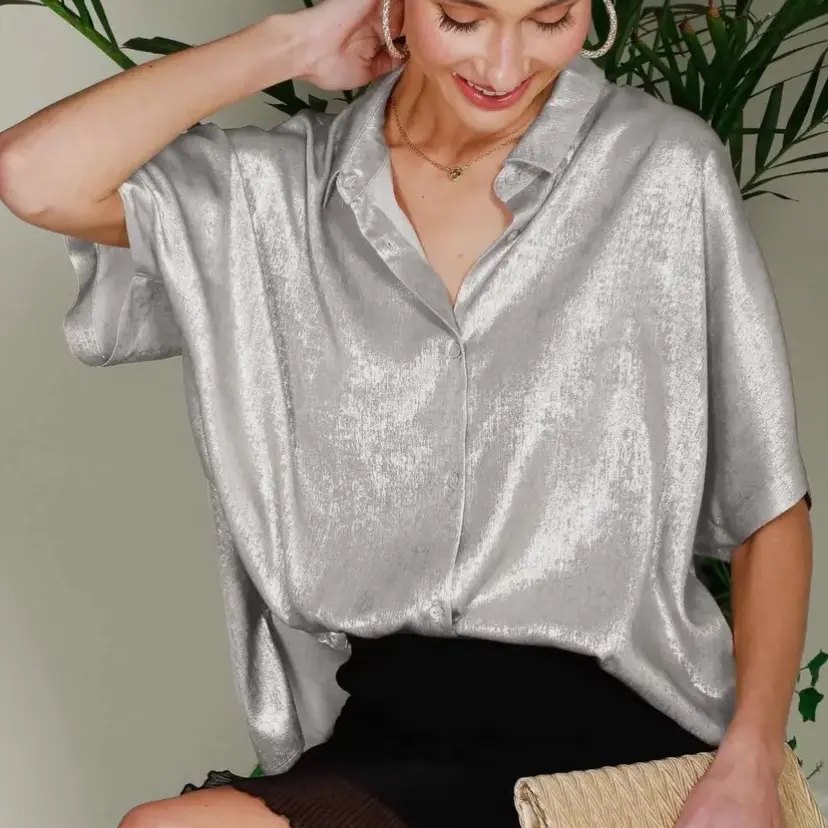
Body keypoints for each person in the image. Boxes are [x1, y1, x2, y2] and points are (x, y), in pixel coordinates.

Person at [0, 0, 815, 825]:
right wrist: (291, 43)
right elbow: (32, 174)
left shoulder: (662, 168)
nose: (505, 66)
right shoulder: (280, 195)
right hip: (396, 727)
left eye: (550, 20)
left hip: (620, 720)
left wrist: (751, 757)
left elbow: (767, 506)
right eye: (463, 19)